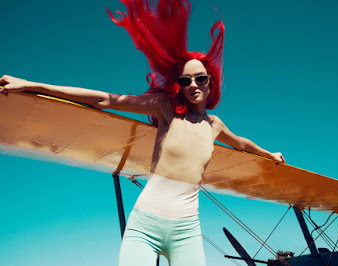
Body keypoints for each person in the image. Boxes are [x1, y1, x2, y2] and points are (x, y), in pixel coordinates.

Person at [0, 0, 285, 265]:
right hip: (145, 224)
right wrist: (30, 85)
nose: (194, 85)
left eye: (201, 78)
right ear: (179, 85)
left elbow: (242, 143)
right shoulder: (166, 109)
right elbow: (104, 99)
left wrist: (268, 153)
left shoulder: (215, 126)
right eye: (186, 80)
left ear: (211, 82)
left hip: (187, 230)